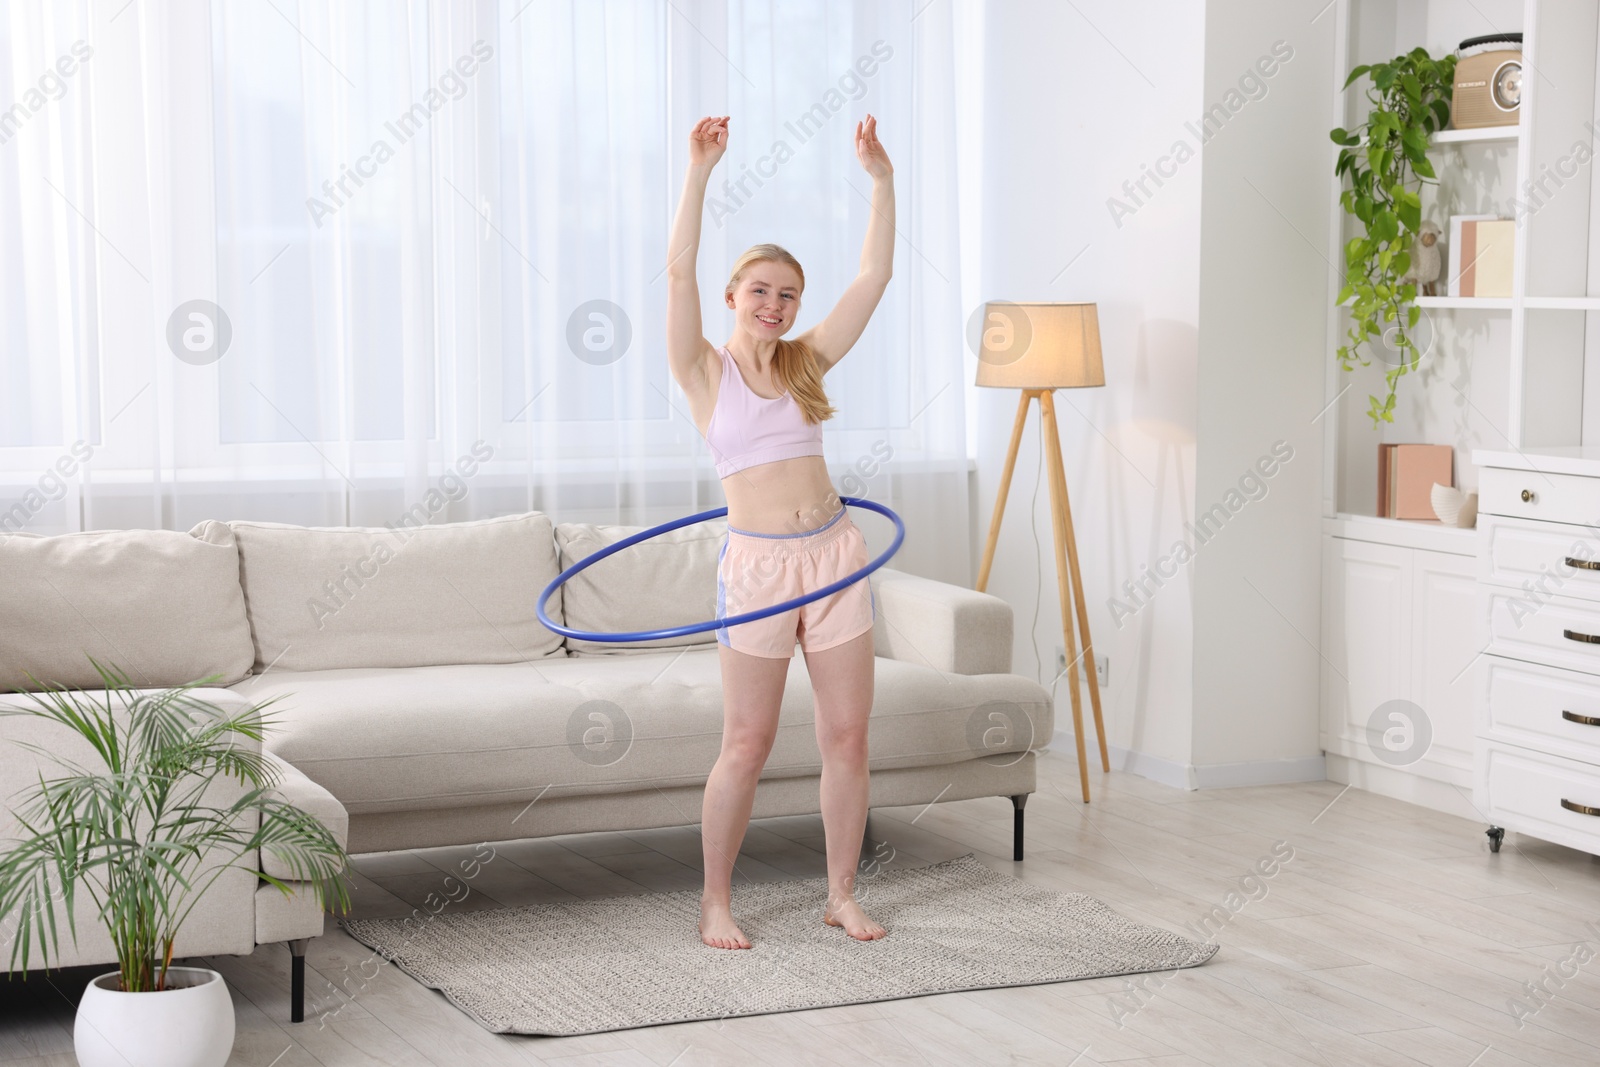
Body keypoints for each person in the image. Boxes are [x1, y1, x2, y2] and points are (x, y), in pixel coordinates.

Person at [665, 113, 895, 949]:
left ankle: (840, 893)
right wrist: (700, 172)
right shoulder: (703, 372)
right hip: (759, 569)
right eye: (758, 290)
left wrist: (880, 180)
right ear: (733, 297)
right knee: (747, 742)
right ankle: (715, 901)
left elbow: (871, 278)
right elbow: (677, 270)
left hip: (834, 556)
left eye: (787, 294)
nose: (774, 304)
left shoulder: (805, 364)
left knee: (847, 735)